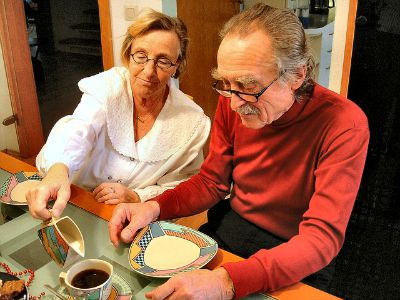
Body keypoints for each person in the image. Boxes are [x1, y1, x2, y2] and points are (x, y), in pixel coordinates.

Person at [108, 4, 369, 299]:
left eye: (248, 85)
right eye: (226, 84)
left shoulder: (344, 123)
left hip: (298, 250)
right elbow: (211, 182)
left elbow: (321, 238)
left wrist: (225, 282)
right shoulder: (235, 98)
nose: (232, 104)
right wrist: (154, 207)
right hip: (234, 225)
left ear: (297, 74)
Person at [27, 9, 210, 220]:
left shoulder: (192, 121)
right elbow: (79, 128)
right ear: (128, 54)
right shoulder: (108, 86)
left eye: (163, 61)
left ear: (177, 66)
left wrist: (136, 196)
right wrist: (58, 169)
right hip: (73, 198)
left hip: (133, 217)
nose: (148, 71)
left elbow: (184, 184)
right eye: (141, 56)